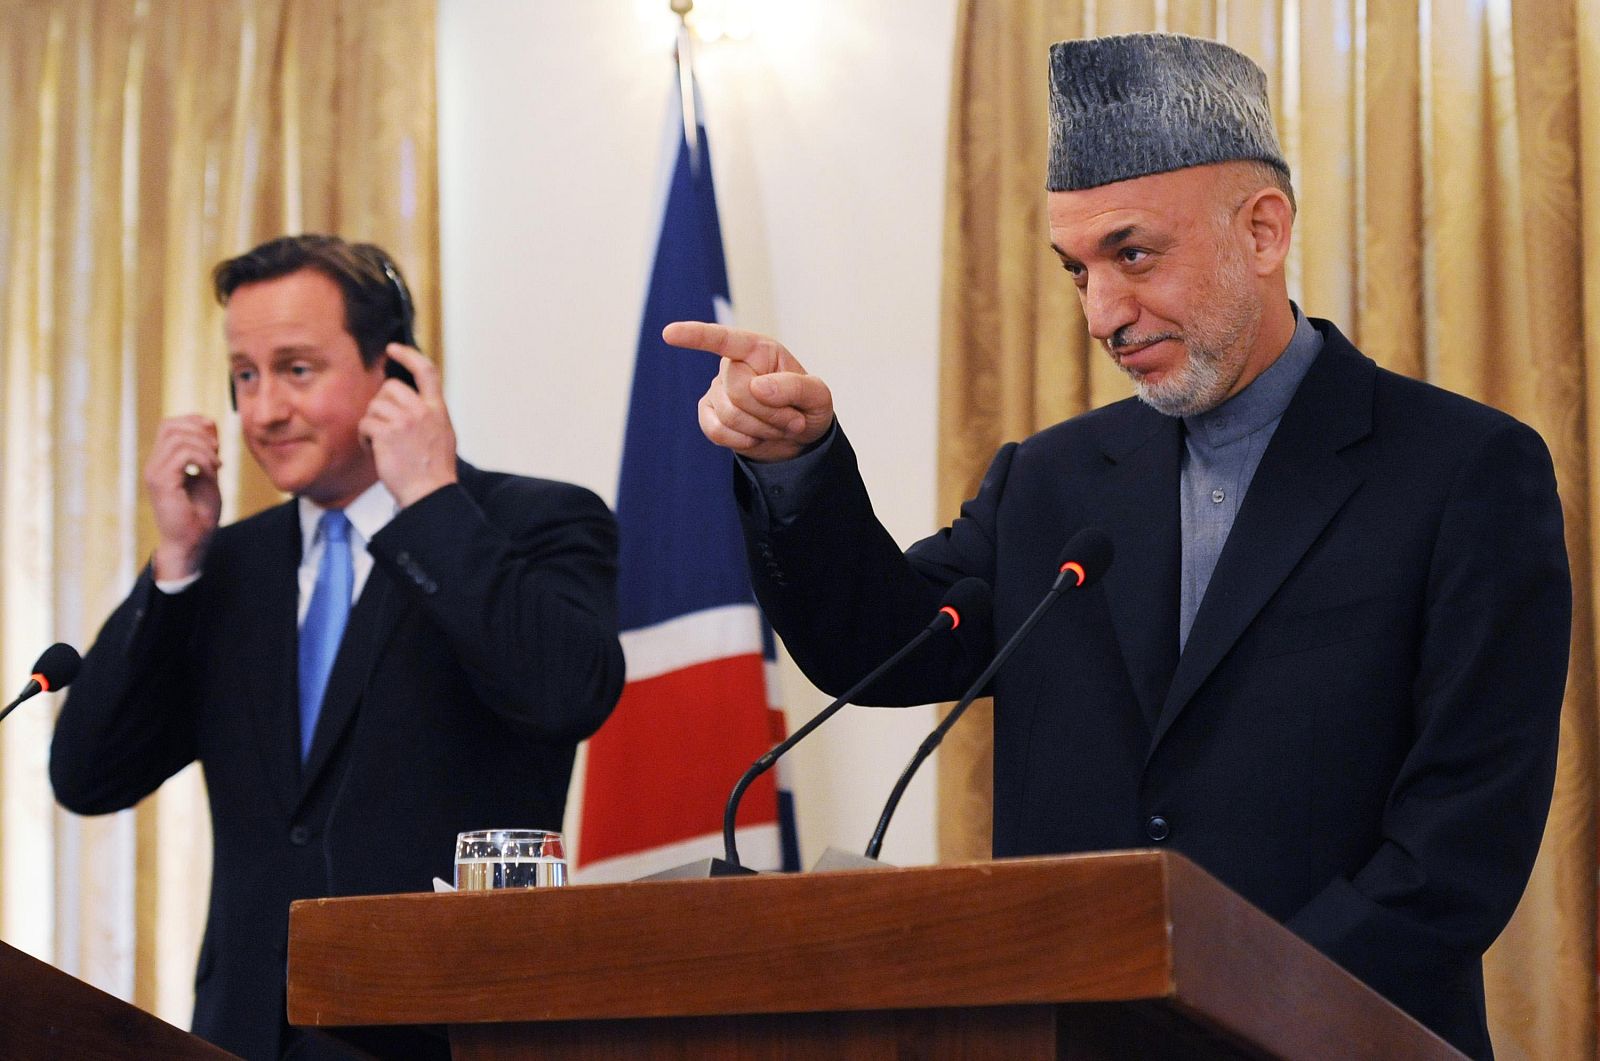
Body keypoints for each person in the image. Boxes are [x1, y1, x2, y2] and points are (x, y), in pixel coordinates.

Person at [667, 33, 1569, 1060]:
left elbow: (1460, 839)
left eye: (1132, 255)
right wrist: (800, 464)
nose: (1101, 312)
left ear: (1262, 230)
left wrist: (1229, 1005)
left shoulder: (1461, 470)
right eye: (1076, 271)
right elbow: (882, 645)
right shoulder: (1052, 481)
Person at [50, 235, 625, 1060]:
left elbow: (568, 692)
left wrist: (427, 497)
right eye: (245, 375)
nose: (263, 410)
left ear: (392, 375)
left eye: (296, 368)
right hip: (245, 1035)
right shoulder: (230, 564)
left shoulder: (532, 522)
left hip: (445, 1030)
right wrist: (174, 564)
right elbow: (89, 773)